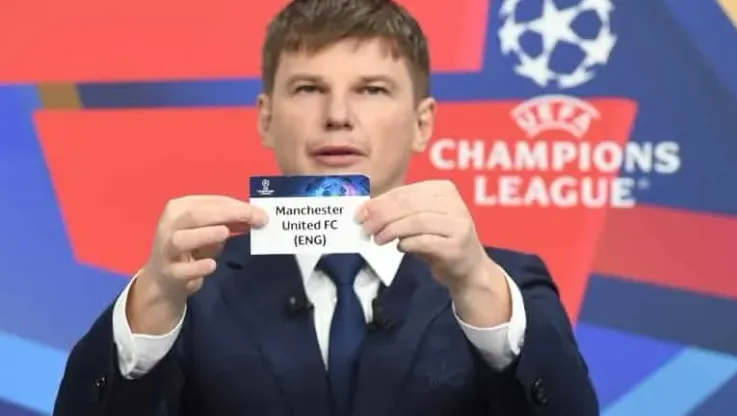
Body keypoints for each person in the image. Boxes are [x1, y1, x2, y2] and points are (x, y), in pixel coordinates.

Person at [52, 0, 599, 414]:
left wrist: (477, 284)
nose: (338, 115)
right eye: (309, 88)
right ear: (266, 117)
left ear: (423, 122)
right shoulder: (191, 290)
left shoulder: (506, 284)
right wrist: (151, 303)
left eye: (373, 90)